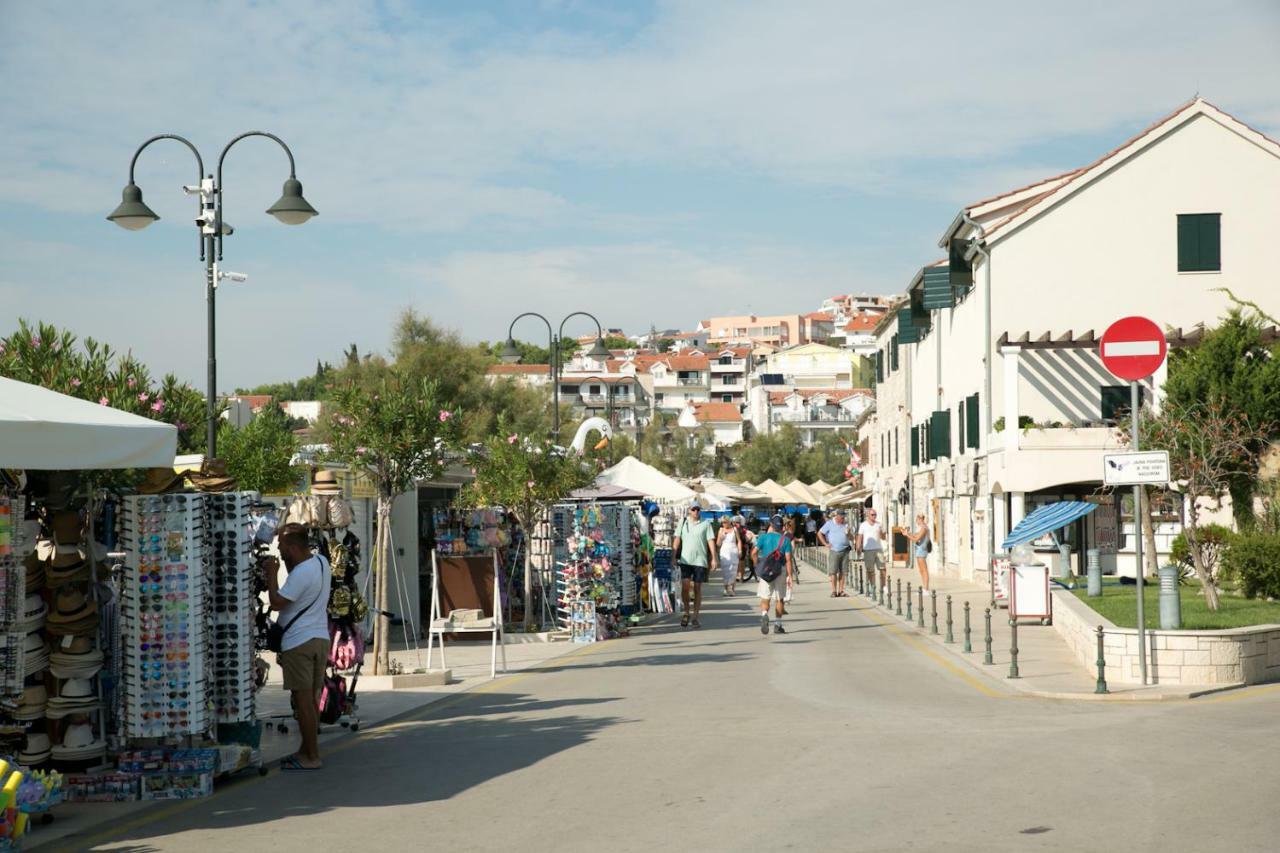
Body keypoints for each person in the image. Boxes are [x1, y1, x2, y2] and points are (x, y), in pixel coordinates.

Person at [264, 522, 332, 771]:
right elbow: (296, 569)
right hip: (319, 638)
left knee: (302, 701)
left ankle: (311, 757)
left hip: (298, 642)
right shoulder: (322, 563)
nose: (279, 551)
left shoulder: (301, 574)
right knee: (311, 699)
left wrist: (271, 573)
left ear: (292, 548)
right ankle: (306, 749)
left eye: (282, 546)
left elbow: (277, 602)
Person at [673, 503, 717, 629]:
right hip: (685, 560)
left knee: (697, 588)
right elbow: (677, 539)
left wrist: (714, 558)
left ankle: (695, 616)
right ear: (689, 510)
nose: (696, 512)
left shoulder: (706, 523)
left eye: (698, 509)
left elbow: (710, 541)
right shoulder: (683, 522)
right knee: (685, 587)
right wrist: (673, 555)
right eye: (694, 509)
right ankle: (686, 612)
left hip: (700, 561)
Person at [753, 514, 795, 635]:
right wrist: (790, 576)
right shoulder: (785, 540)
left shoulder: (763, 537)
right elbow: (788, 559)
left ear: (771, 525)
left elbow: (754, 552)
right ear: (782, 527)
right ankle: (778, 624)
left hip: (766, 570)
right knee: (779, 598)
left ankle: (764, 614)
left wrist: (757, 565)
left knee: (765, 597)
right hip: (780, 571)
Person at [818, 508, 852, 597]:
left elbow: (850, 537)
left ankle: (841, 591)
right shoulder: (829, 523)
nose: (843, 518)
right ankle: (834, 591)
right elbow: (820, 533)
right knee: (833, 572)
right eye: (841, 517)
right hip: (834, 550)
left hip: (845, 550)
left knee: (843, 571)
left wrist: (849, 533)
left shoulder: (845, 524)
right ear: (837, 516)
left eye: (844, 516)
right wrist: (825, 544)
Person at [856, 507, 886, 598]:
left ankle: (884, 586)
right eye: (872, 515)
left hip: (878, 549)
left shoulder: (879, 524)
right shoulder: (863, 525)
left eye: (875, 514)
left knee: (883, 568)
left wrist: (882, 533)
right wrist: (858, 548)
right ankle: (872, 586)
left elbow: (883, 537)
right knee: (870, 570)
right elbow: (860, 537)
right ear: (867, 515)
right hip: (868, 550)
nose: (874, 516)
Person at [907, 512, 932, 594]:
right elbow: (915, 537)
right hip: (919, 549)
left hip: (922, 550)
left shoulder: (924, 528)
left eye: (917, 519)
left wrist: (907, 535)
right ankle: (924, 588)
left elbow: (916, 539)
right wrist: (907, 533)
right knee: (921, 570)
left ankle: (926, 589)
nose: (916, 521)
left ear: (920, 519)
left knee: (924, 570)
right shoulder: (922, 528)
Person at [715, 516, 740, 596]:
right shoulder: (721, 530)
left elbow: (739, 541)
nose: (724, 524)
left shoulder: (734, 529)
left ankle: (732, 588)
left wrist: (740, 550)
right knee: (726, 571)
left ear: (729, 522)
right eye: (722, 522)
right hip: (724, 551)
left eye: (725, 522)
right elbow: (718, 544)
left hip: (733, 550)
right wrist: (721, 538)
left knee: (733, 570)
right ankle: (726, 588)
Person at [734, 515, 756, 582]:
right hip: (734, 548)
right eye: (735, 522)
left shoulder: (744, 530)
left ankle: (741, 577)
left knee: (741, 562)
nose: (736, 524)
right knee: (736, 563)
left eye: (737, 522)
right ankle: (736, 576)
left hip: (742, 547)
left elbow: (750, 536)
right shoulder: (733, 529)